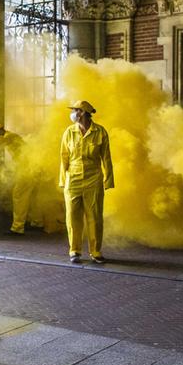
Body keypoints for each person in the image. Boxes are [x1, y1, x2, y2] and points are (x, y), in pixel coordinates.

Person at [59, 100, 114, 264]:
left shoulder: (100, 132)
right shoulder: (69, 132)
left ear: (83, 112)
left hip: (93, 178)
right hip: (73, 178)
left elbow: (106, 158)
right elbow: (63, 157)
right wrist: (63, 180)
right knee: (72, 216)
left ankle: (95, 251)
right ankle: (74, 250)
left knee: (94, 216)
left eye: (75, 110)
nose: (73, 113)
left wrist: (108, 180)